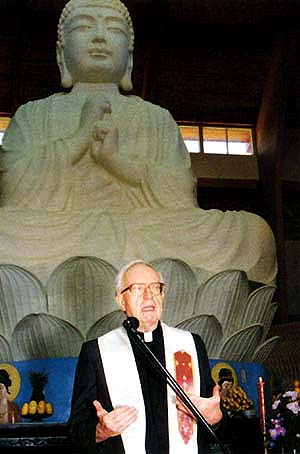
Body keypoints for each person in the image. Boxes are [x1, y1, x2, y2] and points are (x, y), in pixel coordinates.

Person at [0, 0, 277, 288]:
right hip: (58, 234)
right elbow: (17, 195)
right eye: (84, 27)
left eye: (112, 28)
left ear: (129, 58)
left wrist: (118, 162)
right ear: (61, 55)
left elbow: (180, 201)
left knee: (253, 234)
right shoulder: (34, 115)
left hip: (150, 230)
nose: (99, 37)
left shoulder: (156, 118)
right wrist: (78, 139)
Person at [68, 260, 227, 454]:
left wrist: (216, 417)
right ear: (121, 300)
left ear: (163, 295)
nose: (148, 295)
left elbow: (217, 416)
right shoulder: (97, 352)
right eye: (137, 289)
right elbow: (76, 432)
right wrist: (102, 431)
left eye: (155, 288)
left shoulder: (190, 345)